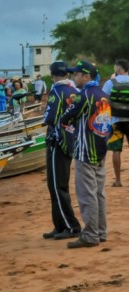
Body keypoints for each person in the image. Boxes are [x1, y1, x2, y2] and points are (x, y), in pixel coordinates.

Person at [59, 60, 111, 249]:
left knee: (86, 194)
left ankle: (90, 235)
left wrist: (71, 130)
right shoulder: (103, 96)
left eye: (76, 74)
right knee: (99, 193)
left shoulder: (83, 96)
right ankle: (100, 231)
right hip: (100, 149)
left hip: (85, 151)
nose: (74, 77)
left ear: (86, 76)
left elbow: (65, 118)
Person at [42, 61, 82, 241]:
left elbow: (49, 117)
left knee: (56, 185)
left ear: (53, 75)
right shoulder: (74, 91)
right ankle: (59, 225)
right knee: (60, 184)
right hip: (70, 139)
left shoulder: (56, 92)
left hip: (57, 140)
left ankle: (70, 226)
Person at [102, 59, 129, 187]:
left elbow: (103, 100)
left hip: (115, 121)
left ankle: (118, 180)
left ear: (118, 68)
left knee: (116, 150)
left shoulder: (110, 83)